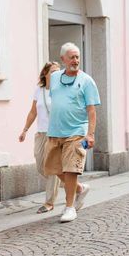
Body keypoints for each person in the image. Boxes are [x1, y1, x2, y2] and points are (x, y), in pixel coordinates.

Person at [43, 43, 101, 223]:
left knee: (70, 170)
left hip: (77, 132)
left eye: (77, 57)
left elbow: (91, 111)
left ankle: (69, 208)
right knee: (52, 168)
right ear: (63, 59)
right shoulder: (54, 78)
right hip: (55, 131)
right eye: (72, 57)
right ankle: (79, 189)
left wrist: (90, 134)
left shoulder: (87, 81)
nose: (75, 60)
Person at [18, 61, 62, 214]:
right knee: (40, 164)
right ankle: (68, 182)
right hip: (41, 133)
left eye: (58, 71)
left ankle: (49, 202)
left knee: (51, 168)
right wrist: (25, 130)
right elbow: (33, 112)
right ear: (45, 73)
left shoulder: (61, 90)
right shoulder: (39, 90)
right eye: (53, 72)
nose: (56, 74)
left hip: (56, 134)